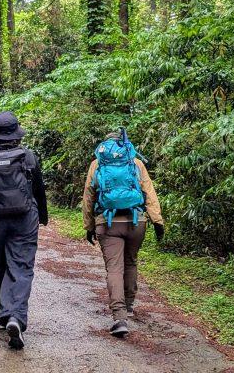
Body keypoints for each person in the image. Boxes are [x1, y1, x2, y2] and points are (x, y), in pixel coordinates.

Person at [0, 112, 48, 350]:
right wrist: (42, 216)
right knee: (21, 266)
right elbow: (39, 190)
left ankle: (3, 314)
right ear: (16, 134)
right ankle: (16, 317)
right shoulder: (28, 156)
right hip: (24, 218)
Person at [82, 129, 164, 338]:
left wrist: (89, 226)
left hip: (108, 223)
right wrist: (157, 220)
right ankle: (128, 305)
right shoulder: (135, 163)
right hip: (136, 221)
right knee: (131, 262)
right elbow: (148, 192)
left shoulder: (97, 164)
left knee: (114, 268)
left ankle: (119, 317)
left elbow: (89, 197)